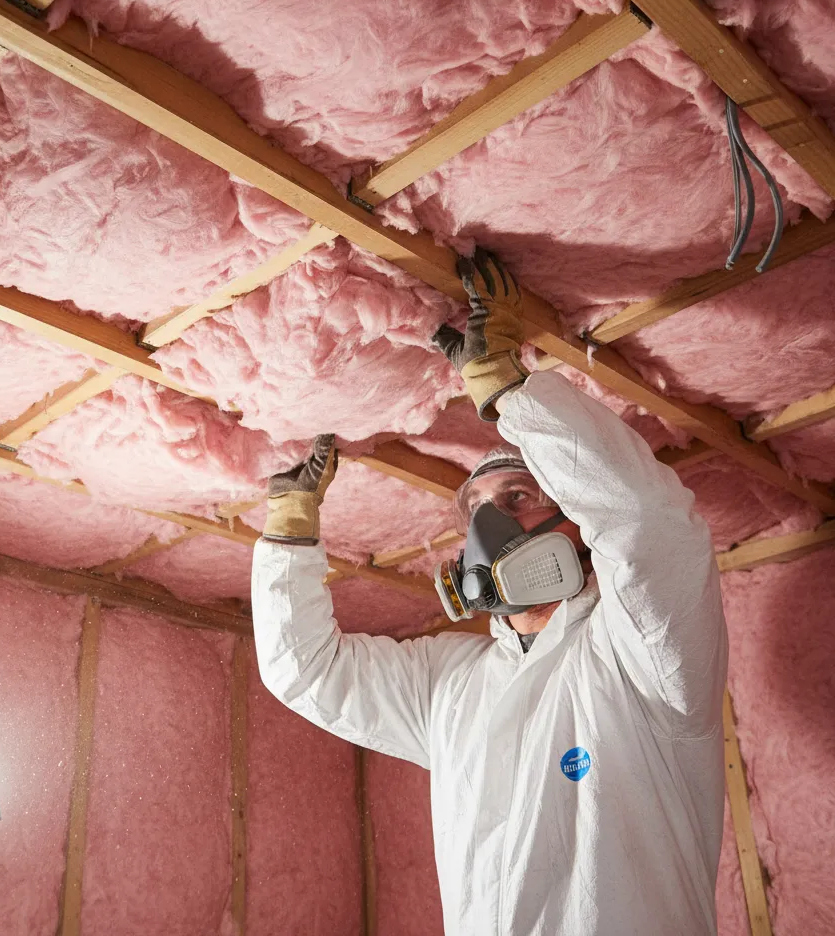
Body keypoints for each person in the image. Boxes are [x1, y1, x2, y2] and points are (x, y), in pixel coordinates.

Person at [250, 249, 728, 935]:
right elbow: (306, 672)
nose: (487, 526)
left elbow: (652, 526)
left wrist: (510, 391)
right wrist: (289, 531)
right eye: (474, 509)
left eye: (518, 498)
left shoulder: (641, 660)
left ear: (580, 520)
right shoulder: (449, 686)